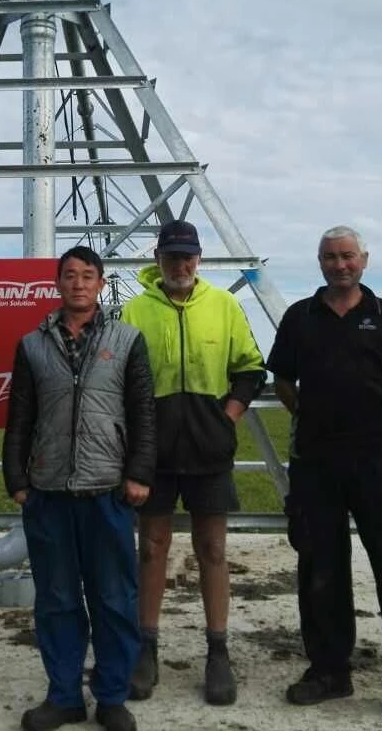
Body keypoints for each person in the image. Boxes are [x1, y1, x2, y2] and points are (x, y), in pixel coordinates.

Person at [266, 225, 382, 725]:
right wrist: (316, 426)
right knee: (321, 567)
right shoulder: (300, 317)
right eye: (329, 257)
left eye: (347, 256)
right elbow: (284, 384)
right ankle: (328, 671)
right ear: (319, 262)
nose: (338, 265)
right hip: (316, 465)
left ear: (364, 260)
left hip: (378, 464)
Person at [2, 246, 156, 731]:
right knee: (57, 599)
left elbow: (143, 414)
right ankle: (64, 696)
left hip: (108, 490)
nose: (78, 283)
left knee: (114, 598)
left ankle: (111, 696)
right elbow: (19, 418)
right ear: (57, 283)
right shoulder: (31, 344)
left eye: (88, 276)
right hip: (48, 493)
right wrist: (17, 481)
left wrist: (139, 474)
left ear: (101, 283)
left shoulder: (128, 339)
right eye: (69, 275)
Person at [120, 220, 265, 706]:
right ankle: (146, 647)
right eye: (171, 255)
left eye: (188, 256)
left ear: (199, 259)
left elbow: (250, 368)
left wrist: (227, 418)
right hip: (153, 453)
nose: (180, 264)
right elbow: (120, 379)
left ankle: (218, 651)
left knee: (214, 549)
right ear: (157, 259)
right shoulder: (134, 310)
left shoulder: (224, 306)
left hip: (209, 452)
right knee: (151, 547)